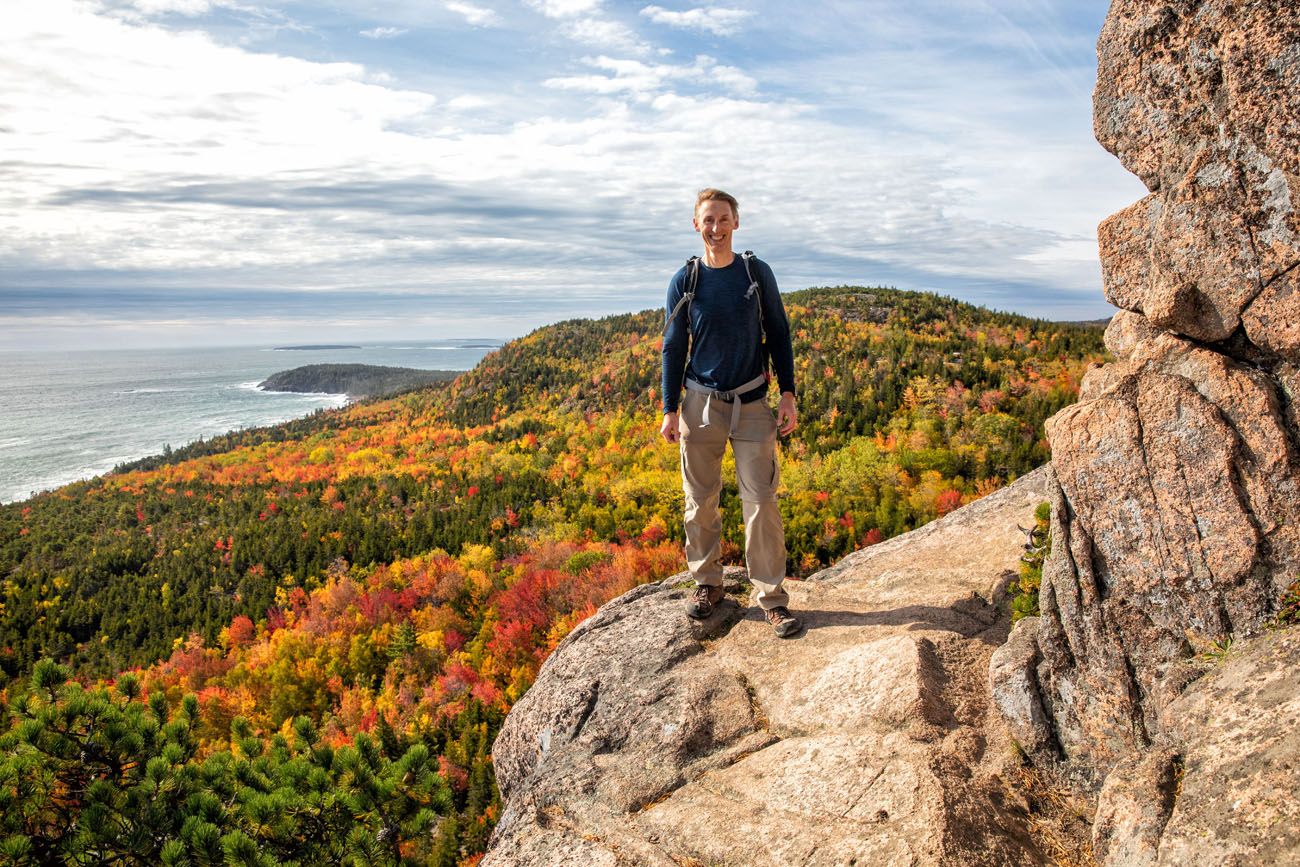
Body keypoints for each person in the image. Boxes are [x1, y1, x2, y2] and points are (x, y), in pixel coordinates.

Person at [660, 188, 801, 637]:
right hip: (700, 403)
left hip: (753, 400)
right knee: (699, 500)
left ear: (736, 223)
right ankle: (708, 584)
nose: (716, 228)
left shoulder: (755, 274)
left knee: (761, 501)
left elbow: (778, 331)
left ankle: (772, 599)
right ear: (695, 225)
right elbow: (672, 347)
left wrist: (788, 393)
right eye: (708, 220)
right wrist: (669, 409)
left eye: (723, 219)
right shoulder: (685, 281)